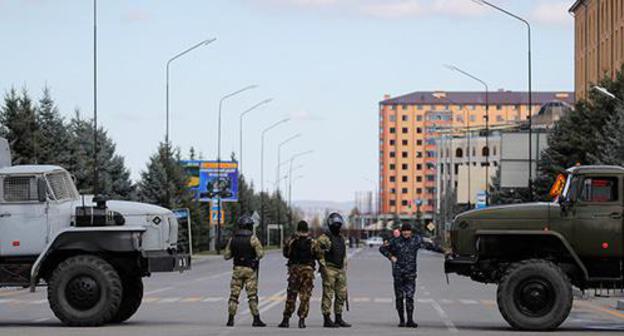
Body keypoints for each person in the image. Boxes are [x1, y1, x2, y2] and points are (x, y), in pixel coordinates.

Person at [278, 220, 322, 329]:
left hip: (295, 271)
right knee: (305, 296)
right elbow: (318, 255)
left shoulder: (291, 241)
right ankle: (302, 320)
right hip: (307, 271)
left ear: (297, 229)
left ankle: (286, 319)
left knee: (291, 295)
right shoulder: (312, 242)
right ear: (307, 229)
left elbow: (285, 254)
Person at [223, 215, 266, 327]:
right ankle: (256, 319)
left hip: (237, 269)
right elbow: (260, 254)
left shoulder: (233, 239)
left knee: (234, 295)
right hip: (250, 270)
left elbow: (226, 256)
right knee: (252, 295)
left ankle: (230, 319)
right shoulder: (253, 238)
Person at [379, 223, 422, 328]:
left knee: (409, 297)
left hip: (411, 275)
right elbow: (382, 248)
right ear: (401, 231)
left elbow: (430, 245)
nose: (406, 233)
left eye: (408, 230)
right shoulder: (395, 241)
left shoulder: (416, 240)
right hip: (398, 274)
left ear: (411, 231)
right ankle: (402, 320)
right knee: (399, 297)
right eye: (404, 231)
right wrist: (391, 256)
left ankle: (410, 320)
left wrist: (444, 251)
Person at [317, 212, 351, 328]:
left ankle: (338, 318)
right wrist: (323, 266)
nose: (337, 225)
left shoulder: (341, 238)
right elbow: (318, 252)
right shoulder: (324, 238)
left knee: (341, 295)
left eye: (338, 223)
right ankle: (327, 319)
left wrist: (344, 266)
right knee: (328, 294)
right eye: (335, 222)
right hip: (329, 269)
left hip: (340, 270)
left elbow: (343, 254)